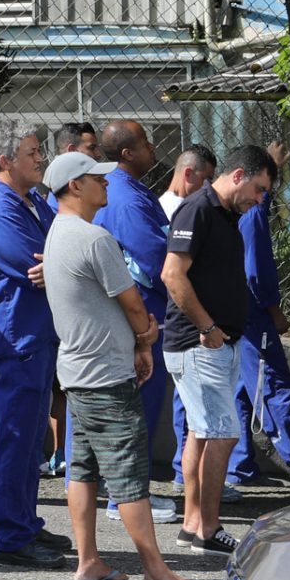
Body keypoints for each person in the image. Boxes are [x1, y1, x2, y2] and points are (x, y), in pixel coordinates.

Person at [41, 151, 210, 580]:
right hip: (105, 373)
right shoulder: (94, 238)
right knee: (129, 473)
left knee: (83, 467)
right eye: (97, 178)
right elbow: (133, 302)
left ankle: (89, 561)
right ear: (75, 186)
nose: (106, 184)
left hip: (77, 370)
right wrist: (145, 337)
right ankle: (156, 572)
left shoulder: (59, 232)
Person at [0, 129, 73, 569]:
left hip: (35, 337)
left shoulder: (31, 202)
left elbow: (62, 253)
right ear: (4, 159)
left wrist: (63, 263)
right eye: (32, 153)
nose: (41, 159)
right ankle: (11, 535)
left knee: (31, 440)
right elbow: (39, 264)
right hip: (16, 340)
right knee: (16, 437)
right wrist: (64, 264)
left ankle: (25, 522)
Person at [162, 147, 273, 551]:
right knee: (224, 434)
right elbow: (172, 274)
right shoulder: (199, 208)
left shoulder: (227, 215)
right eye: (259, 189)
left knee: (203, 433)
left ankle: (194, 524)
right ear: (239, 174)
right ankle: (207, 530)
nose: (260, 199)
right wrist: (207, 328)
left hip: (218, 341)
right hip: (199, 344)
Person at [228, 147, 290, 494]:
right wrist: (274, 309)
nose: (265, 195)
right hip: (255, 315)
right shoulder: (251, 212)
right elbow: (255, 271)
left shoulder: (233, 205)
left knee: (243, 388)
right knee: (271, 387)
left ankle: (238, 464)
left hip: (238, 312)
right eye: (263, 186)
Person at [96, 119, 179, 507]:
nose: (154, 149)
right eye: (146, 143)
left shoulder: (126, 190)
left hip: (142, 315)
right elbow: (157, 257)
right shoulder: (125, 198)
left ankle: (125, 494)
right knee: (137, 408)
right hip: (142, 318)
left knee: (134, 406)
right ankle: (125, 497)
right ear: (128, 153)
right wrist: (186, 290)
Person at [162, 144, 215, 221]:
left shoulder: (161, 205)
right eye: (205, 179)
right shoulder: (182, 210)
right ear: (188, 173)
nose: (208, 186)